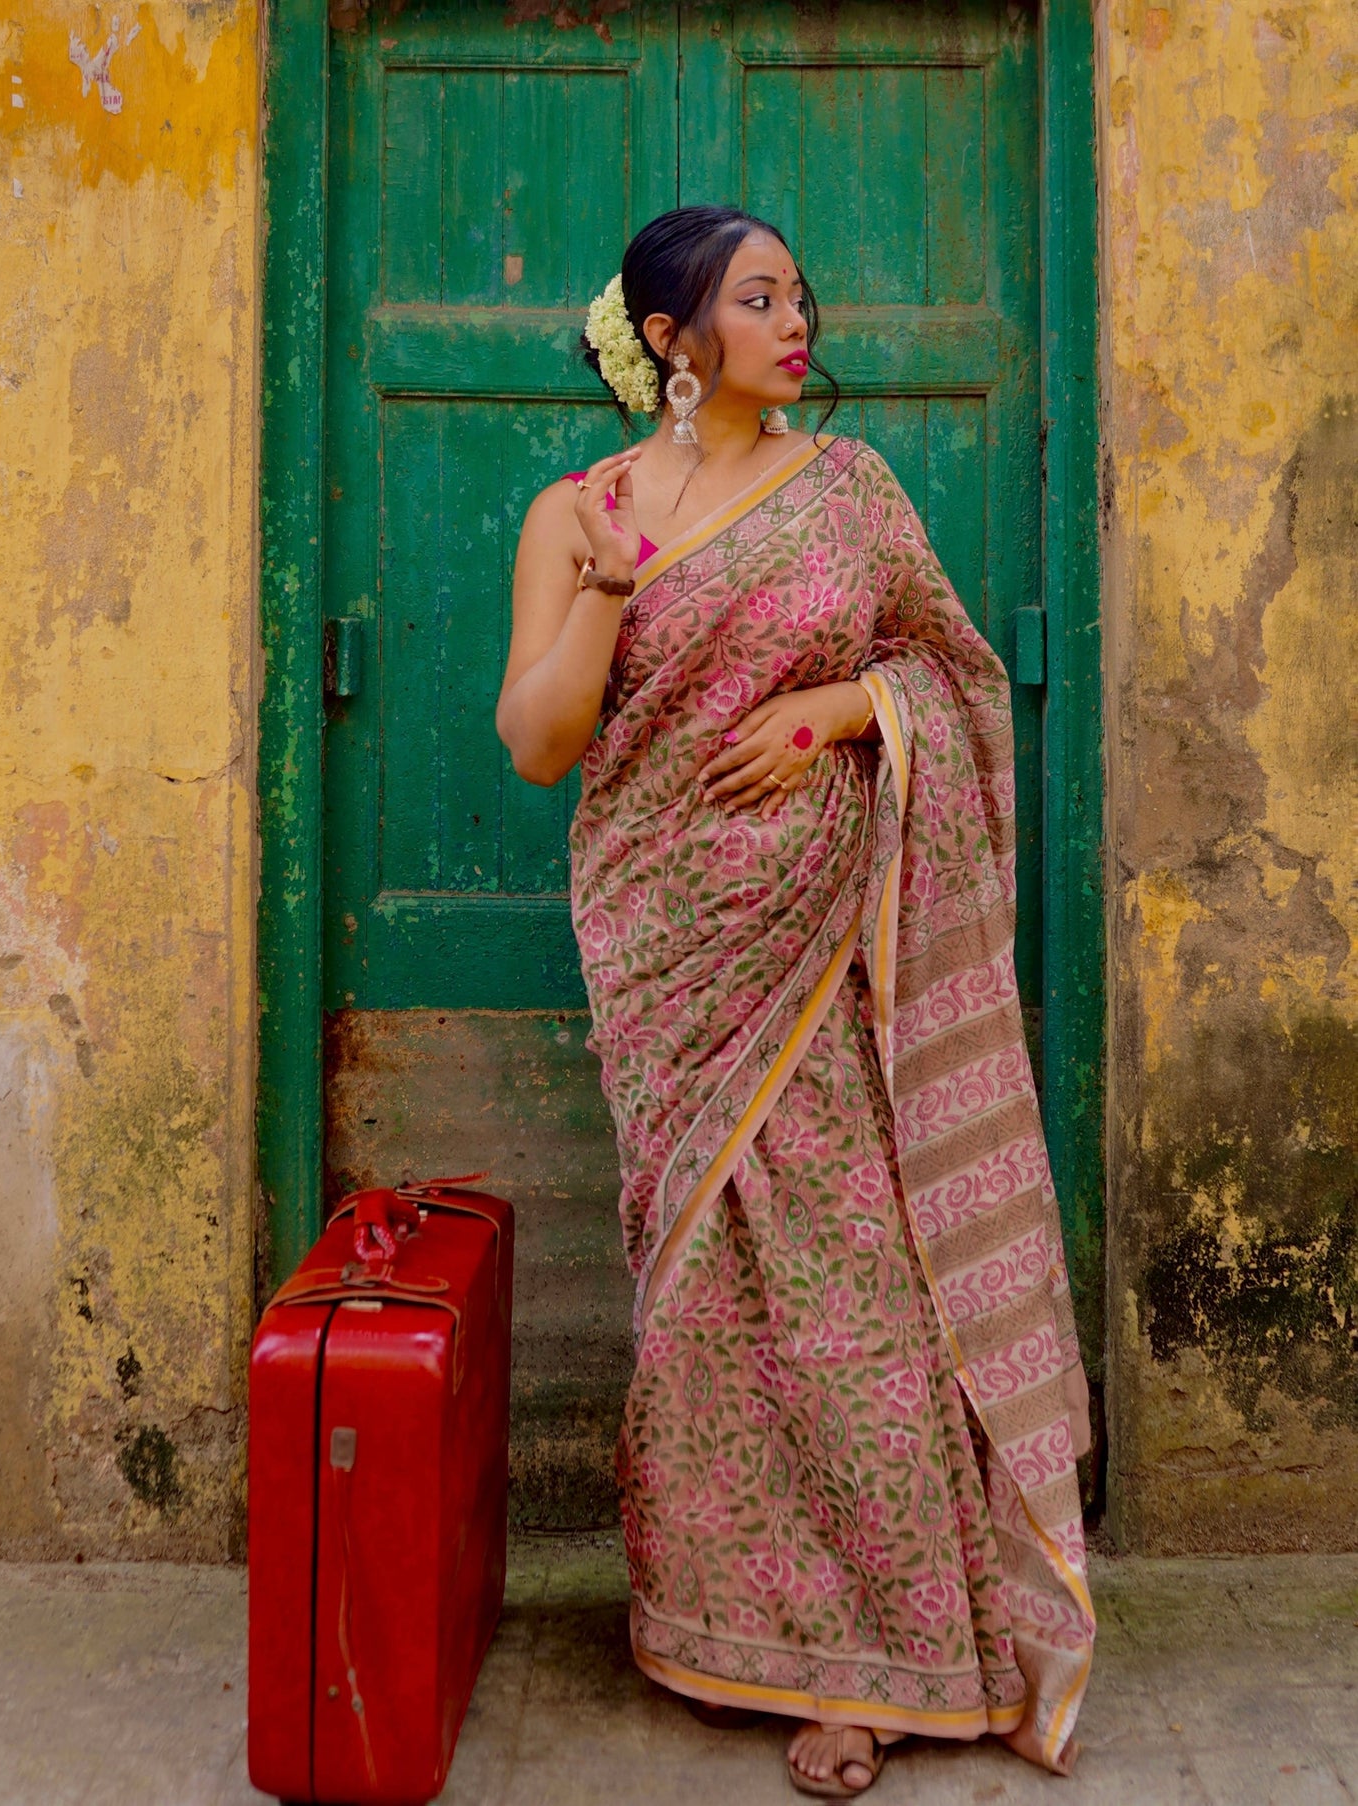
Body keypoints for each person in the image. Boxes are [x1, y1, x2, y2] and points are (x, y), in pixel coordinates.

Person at [496, 205, 1093, 1798]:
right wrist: (610, 592)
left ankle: (892, 1656)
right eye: (754, 298)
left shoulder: (851, 490)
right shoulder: (578, 513)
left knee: (857, 1298)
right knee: (702, 1306)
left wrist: (839, 707)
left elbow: (951, 673)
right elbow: (539, 744)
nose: (793, 319)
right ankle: (731, 1627)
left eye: (797, 294)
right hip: (664, 952)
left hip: (835, 944)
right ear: (675, 339)